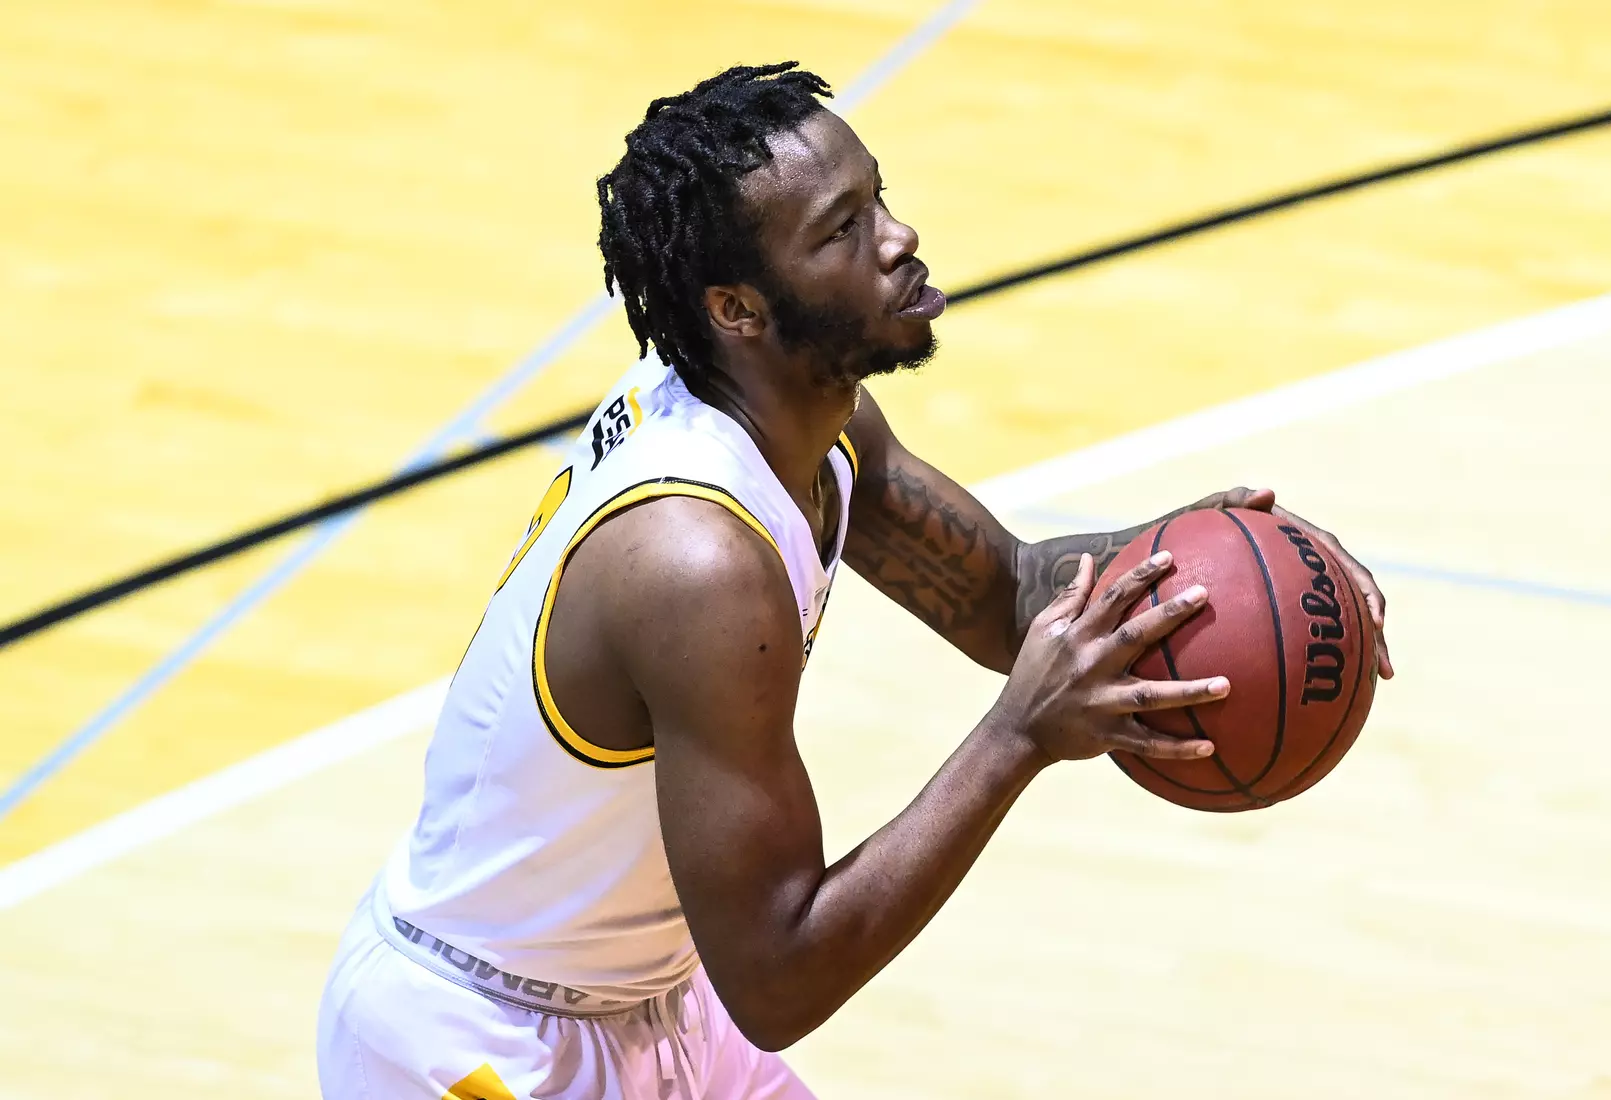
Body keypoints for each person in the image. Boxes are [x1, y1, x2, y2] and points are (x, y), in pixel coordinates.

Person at [316, 62, 1393, 1100]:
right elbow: (780, 973)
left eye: (879, 199)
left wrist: (1228, 550)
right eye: (841, 230)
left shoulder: (812, 424)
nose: (898, 238)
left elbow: (1005, 593)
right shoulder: (696, 563)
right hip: (475, 1040)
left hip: (648, 1003)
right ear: (737, 307)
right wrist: (1014, 737)